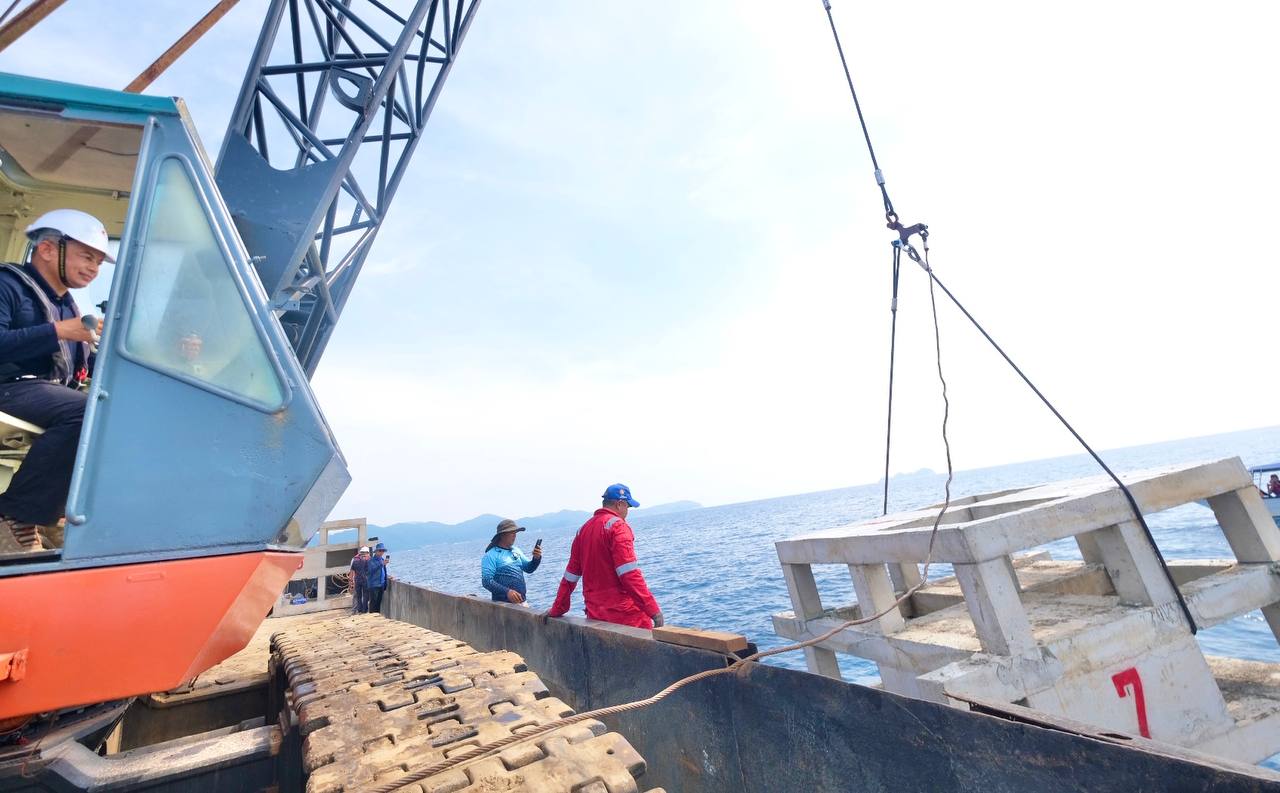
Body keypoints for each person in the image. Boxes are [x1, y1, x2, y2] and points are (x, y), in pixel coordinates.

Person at [0, 209, 111, 553]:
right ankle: (16, 515)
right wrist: (60, 331)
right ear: (48, 249)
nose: (94, 268)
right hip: (9, 386)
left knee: (116, 410)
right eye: (86, 256)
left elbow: (80, 363)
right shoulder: (8, 284)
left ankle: (54, 514)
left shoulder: (65, 305)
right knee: (88, 412)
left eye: (98, 262)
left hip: (43, 390)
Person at [548, 483, 664, 629]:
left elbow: (570, 576)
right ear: (619, 504)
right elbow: (629, 574)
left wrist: (558, 608)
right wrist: (654, 611)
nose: (627, 512)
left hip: (596, 617)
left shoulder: (582, 531)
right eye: (628, 507)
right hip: (626, 618)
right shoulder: (618, 527)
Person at [481, 518, 543, 604]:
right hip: (502, 606)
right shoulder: (490, 555)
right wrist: (507, 592)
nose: (515, 535)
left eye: (515, 533)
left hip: (522, 603)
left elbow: (529, 568)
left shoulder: (516, 550)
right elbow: (486, 581)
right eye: (512, 532)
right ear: (502, 535)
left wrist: (536, 558)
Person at [365, 542, 389, 613]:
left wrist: (387, 578)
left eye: (383, 551)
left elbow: (383, 571)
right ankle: (372, 617)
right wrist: (381, 564)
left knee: (378, 603)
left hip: (381, 585)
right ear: (376, 551)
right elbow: (371, 571)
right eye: (380, 550)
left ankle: (377, 617)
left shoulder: (382, 560)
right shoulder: (371, 560)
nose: (382, 552)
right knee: (373, 603)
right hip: (374, 585)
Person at [349, 545, 371, 613]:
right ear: (367, 552)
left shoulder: (355, 560)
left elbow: (352, 570)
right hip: (365, 580)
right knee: (365, 596)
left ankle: (359, 610)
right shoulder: (368, 560)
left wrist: (351, 581)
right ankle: (364, 610)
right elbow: (370, 571)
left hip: (357, 580)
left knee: (358, 596)